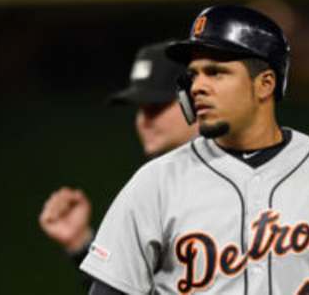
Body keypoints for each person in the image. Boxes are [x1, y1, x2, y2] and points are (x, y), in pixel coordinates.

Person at [80, 5, 309, 295]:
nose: (198, 86)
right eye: (193, 75)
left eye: (216, 72)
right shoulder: (154, 185)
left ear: (265, 83)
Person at [38, 41, 198, 289]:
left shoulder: (239, 178)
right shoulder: (150, 188)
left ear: (195, 99)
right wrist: (81, 244)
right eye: (140, 109)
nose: (144, 121)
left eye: (155, 107)